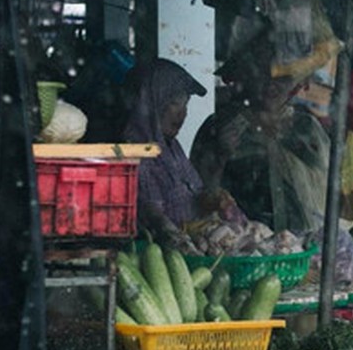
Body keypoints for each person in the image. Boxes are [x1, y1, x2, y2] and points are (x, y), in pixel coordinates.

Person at [192, 68, 330, 234]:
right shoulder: (221, 125)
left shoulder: (306, 128)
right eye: (263, 74)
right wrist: (221, 155)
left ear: (298, 83)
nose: (271, 85)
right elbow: (197, 194)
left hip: (302, 245)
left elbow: (326, 188)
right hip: (239, 243)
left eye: (282, 78)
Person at [123, 58, 208, 247]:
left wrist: (216, 199)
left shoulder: (172, 146)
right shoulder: (137, 155)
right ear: (153, 102)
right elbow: (155, 219)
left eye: (186, 104)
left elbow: (196, 195)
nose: (183, 113)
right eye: (175, 103)